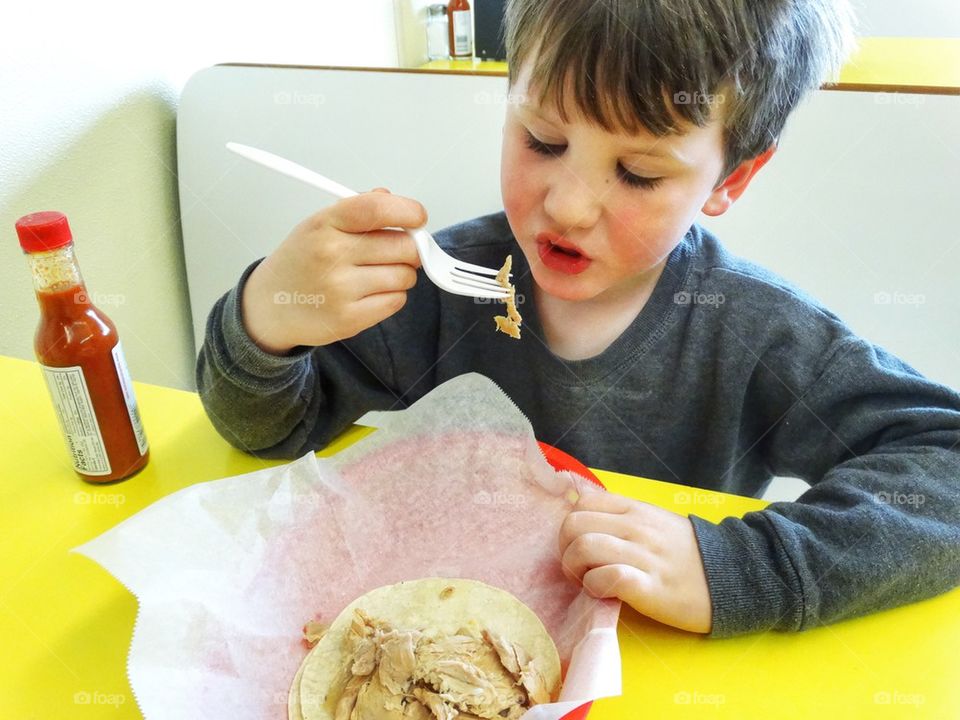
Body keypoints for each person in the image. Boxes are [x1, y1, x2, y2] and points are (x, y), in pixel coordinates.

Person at [196, 0, 960, 637]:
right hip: (447, 627)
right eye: (543, 140)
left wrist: (738, 569)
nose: (566, 204)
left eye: (638, 172)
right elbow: (269, 431)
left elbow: (946, 466)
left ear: (731, 177)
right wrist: (268, 318)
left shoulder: (756, 331)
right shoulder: (441, 286)